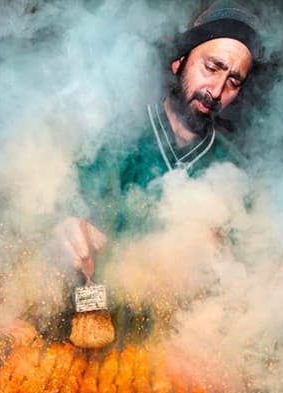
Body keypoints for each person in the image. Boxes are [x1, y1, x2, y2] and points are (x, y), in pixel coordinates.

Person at [54, 0, 264, 282]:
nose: (216, 90)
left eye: (233, 82)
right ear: (179, 62)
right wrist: (62, 232)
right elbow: (56, 214)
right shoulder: (116, 139)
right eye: (212, 67)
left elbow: (250, 281)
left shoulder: (234, 173)